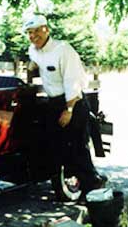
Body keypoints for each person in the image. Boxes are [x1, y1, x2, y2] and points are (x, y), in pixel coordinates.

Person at [23, 14, 107, 198]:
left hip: (73, 103)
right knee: (57, 147)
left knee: (77, 148)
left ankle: (93, 190)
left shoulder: (63, 50)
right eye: (29, 32)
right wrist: (31, 67)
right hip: (53, 103)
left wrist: (68, 110)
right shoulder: (33, 50)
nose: (33, 35)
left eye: (37, 30)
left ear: (46, 29)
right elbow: (36, 61)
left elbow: (73, 82)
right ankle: (67, 188)